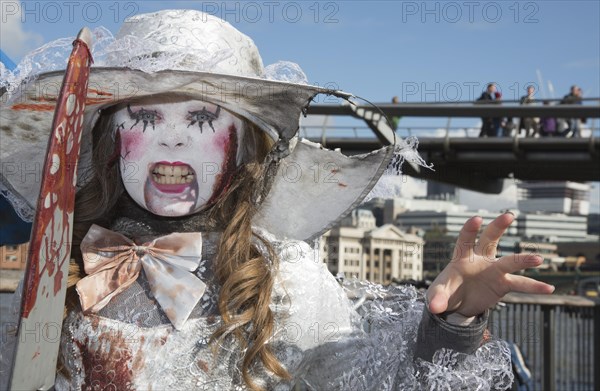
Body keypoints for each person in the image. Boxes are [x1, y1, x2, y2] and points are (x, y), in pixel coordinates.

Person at [0, 10, 554, 391]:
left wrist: (451, 324)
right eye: (144, 119)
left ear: (243, 149)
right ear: (112, 142)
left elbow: (361, 381)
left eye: (199, 119)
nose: (171, 139)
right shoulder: (68, 263)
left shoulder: (283, 274)